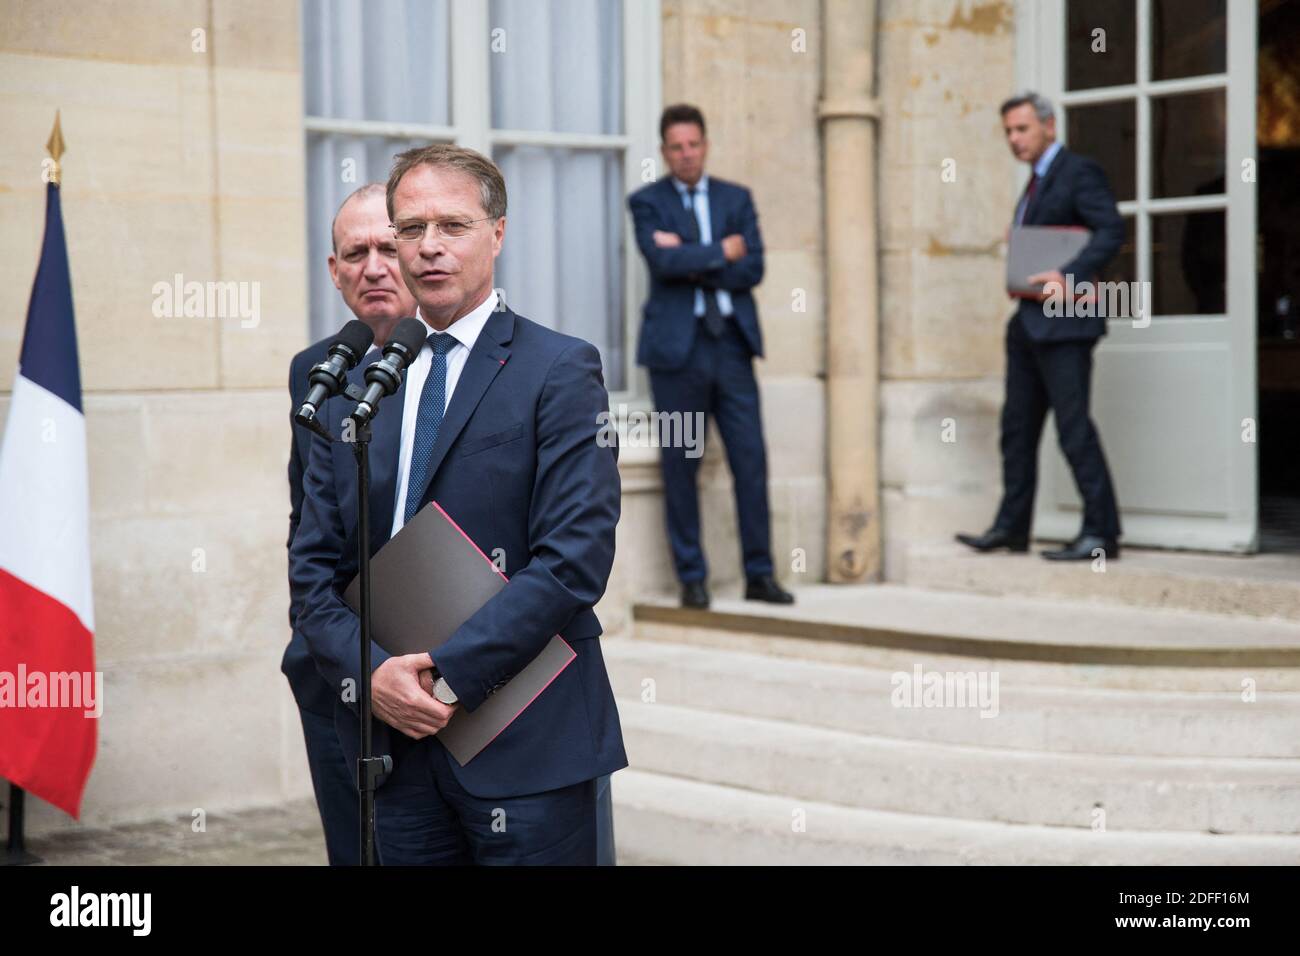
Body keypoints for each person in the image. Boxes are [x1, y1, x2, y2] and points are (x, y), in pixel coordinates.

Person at [290, 145, 626, 865]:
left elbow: (573, 561)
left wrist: (445, 676)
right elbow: (312, 569)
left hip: (526, 743)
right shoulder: (358, 384)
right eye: (411, 229)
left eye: (453, 225)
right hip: (395, 751)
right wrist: (373, 674)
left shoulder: (560, 368)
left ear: (497, 234)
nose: (429, 247)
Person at [284, 183, 416, 866]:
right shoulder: (316, 372)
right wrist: (335, 653)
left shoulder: (467, 364)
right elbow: (304, 523)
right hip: (334, 673)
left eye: (388, 248)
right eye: (354, 253)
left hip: (438, 677)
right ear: (334, 273)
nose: (373, 267)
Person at [628, 103, 794, 609]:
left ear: (705, 144)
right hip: (676, 354)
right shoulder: (647, 201)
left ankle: (760, 574)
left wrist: (691, 257)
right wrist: (723, 251)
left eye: (693, 144)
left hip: (733, 348)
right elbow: (661, 261)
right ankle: (692, 579)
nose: (686, 154)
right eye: (676, 147)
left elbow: (756, 268)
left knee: (751, 460)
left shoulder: (735, 197)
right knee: (681, 464)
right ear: (663, 151)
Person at [956, 92, 1125, 562]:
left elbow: (1110, 230)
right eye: (1008, 131)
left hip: (1066, 320)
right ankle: (1011, 529)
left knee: (1073, 429)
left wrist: (1068, 275)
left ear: (1050, 127)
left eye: (1022, 129)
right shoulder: (1035, 183)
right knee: (1016, 429)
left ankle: (1101, 533)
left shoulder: (1078, 172)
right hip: (1028, 322)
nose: (1014, 139)